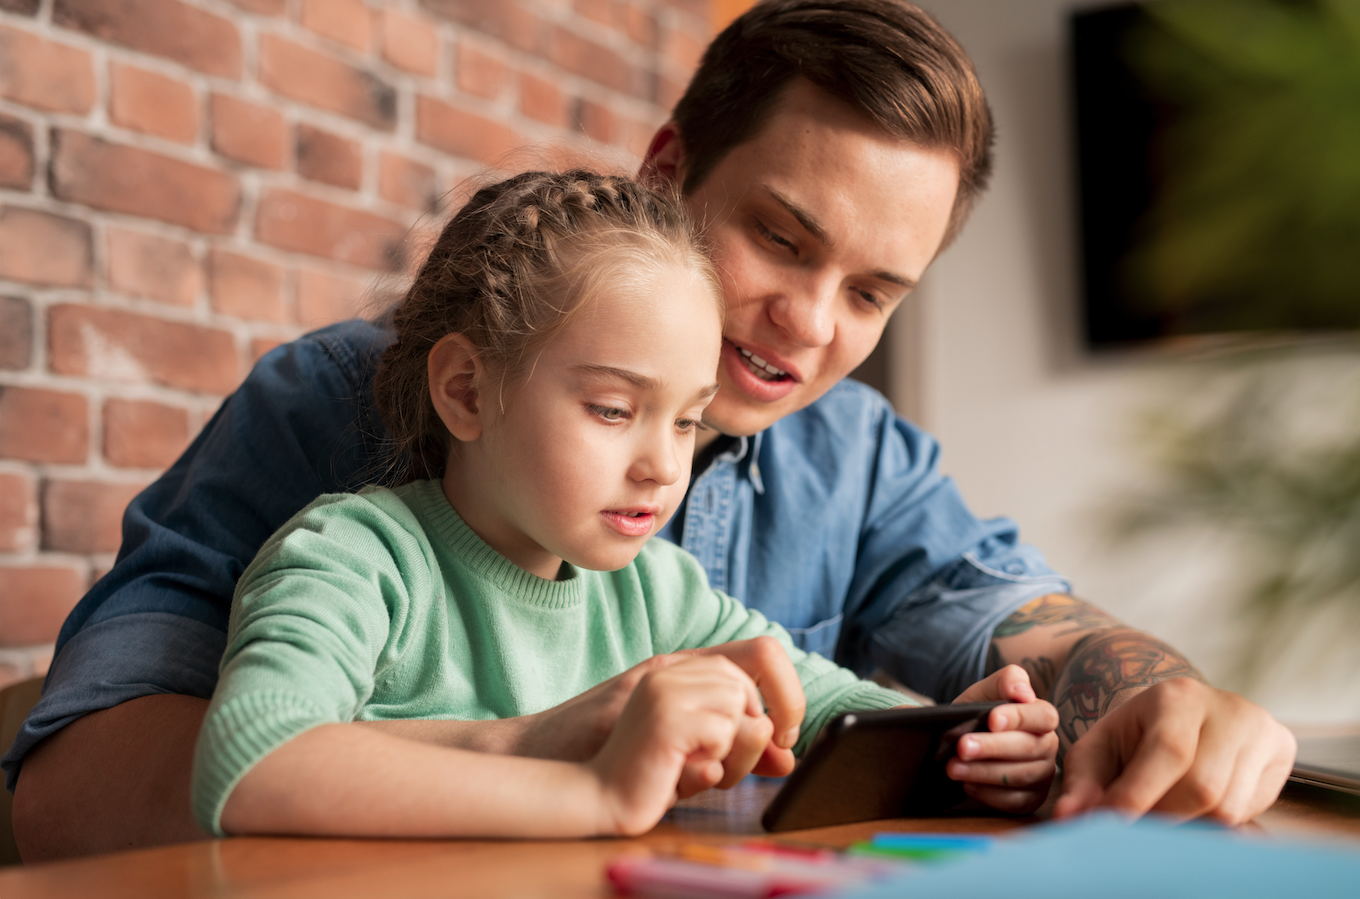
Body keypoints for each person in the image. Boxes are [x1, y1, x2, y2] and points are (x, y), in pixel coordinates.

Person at [7, 0, 1295, 859]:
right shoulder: (342, 417)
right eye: (781, 240)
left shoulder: (850, 460)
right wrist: (542, 749)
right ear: (666, 174)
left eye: (870, 293)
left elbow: (1002, 627)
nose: (805, 326)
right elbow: (65, 797)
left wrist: (1148, 699)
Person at [191, 169, 1057, 838]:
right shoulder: (357, 557)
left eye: (686, 422)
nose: (660, 468)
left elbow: (820, 701)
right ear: (466, 390)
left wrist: (964, 735)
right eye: (612, 409)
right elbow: (250, 758)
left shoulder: (659, 592)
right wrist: (591, 790)